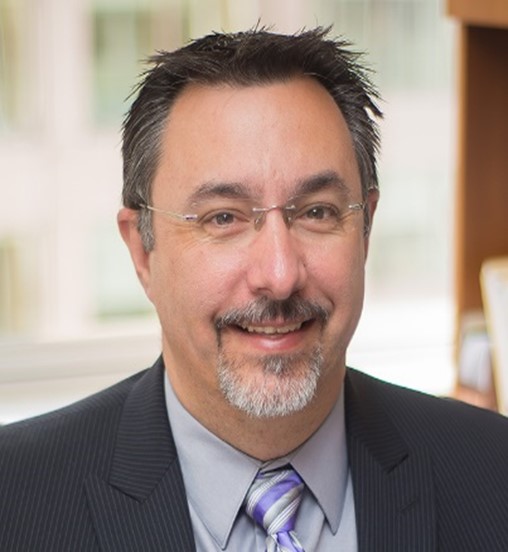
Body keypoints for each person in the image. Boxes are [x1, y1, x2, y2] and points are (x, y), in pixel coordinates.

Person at [1, 27, 508, 552]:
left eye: (317, 212)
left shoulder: (495, 472)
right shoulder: (13, 502)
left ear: (366, 230)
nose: (280, 274)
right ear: (142, 251)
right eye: (224, 218)